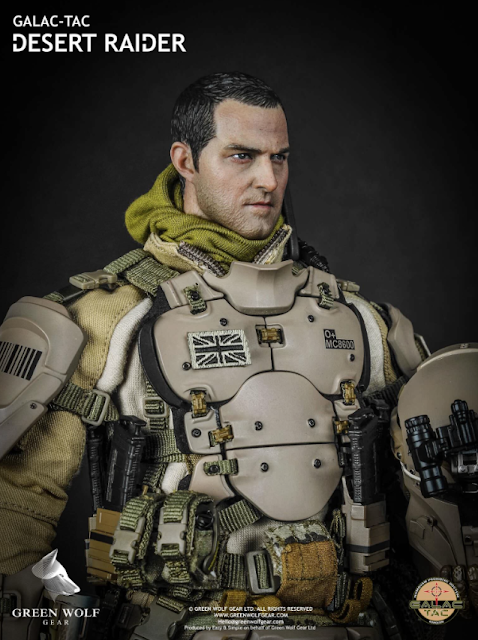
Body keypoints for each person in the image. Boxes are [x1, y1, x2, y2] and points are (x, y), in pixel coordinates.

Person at [1, 72, 476, 640]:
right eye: (242, 156)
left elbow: (432, 496)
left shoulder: (362, 320)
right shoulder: (107, 317)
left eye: (280, 158)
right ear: (186, 160)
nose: (268, 179)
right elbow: (20, 501)